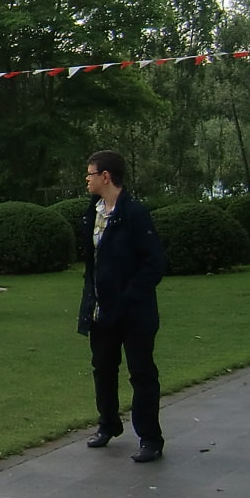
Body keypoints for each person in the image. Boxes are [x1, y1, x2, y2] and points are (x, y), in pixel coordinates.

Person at [75, 151, 166, 462]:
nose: (86, 179)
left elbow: (154, 263)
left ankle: (150, 438)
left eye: (90, 173)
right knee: (103, 368)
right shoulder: (93, 211)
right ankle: (108, 423)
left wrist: (128, 297)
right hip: (100, 309)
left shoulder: (134, 213)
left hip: (133, 312)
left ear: (106, 176)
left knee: (141, 372)